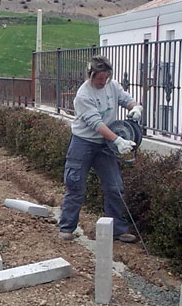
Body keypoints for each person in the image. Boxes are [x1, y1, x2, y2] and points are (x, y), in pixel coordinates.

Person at [58, 55, 144, 243]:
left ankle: (117, 230)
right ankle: (66, 227)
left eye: (106, 78)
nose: (103, 82)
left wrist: (136, 107)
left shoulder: (112, 86)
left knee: (115, 187)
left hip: (105, 145)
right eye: (99, 79)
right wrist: (118, 141)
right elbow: (96, 124)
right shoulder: (83, 95)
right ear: (90, 75)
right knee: (75, 185)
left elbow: (126, 99)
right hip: (83, 142)